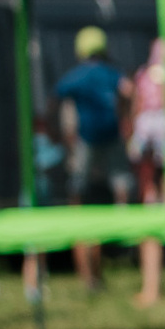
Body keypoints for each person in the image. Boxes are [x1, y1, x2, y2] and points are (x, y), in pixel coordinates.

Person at [53, 26, 128, 290]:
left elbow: (58, 93)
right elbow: (127, 91)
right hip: (104, 151)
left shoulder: (77, 79)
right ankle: (123, 209)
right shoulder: (110, 74)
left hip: (86, 153)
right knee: (118, 185)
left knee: (80, 209)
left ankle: (89, 275)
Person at [128, 38, 165, 307]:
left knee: (149, 190)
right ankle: (163, 197)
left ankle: (150, 287)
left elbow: (136, 110)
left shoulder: (143, 75)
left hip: (149, 144)